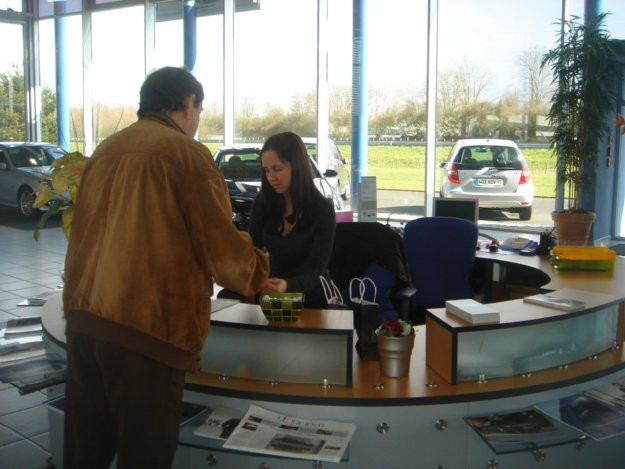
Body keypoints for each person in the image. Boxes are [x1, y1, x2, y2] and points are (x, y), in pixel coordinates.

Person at [62, 66, 269, 469]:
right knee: (145, 457)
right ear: (188, 103)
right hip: (145, 331)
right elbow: (223, 252)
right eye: (199, 110)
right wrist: (259, 271)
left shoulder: (107, 149)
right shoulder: (185, 154)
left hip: (85, 322)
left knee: (85, 453)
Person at [248, 131, 336, 308]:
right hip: (272, 301)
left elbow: (318, 268)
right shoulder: (262, 203)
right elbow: (252, 250)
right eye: (266, 170)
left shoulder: (322, 209)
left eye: (277, 169)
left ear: (297, 167)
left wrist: (287, 285)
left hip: (311, 302)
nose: (271, 177)